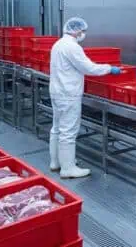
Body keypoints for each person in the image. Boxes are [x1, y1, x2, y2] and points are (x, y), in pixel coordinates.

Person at [48, 17, 121, 179]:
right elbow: (89, 68)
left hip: (57, 91)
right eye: (83, 31)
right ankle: (68, 169)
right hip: (68, 94)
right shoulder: (72, 47)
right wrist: (110, 68)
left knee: (57, 127)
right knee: (68, 131)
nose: (84, 34)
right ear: (77, 31)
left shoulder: (58, 44)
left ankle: (56, 162)